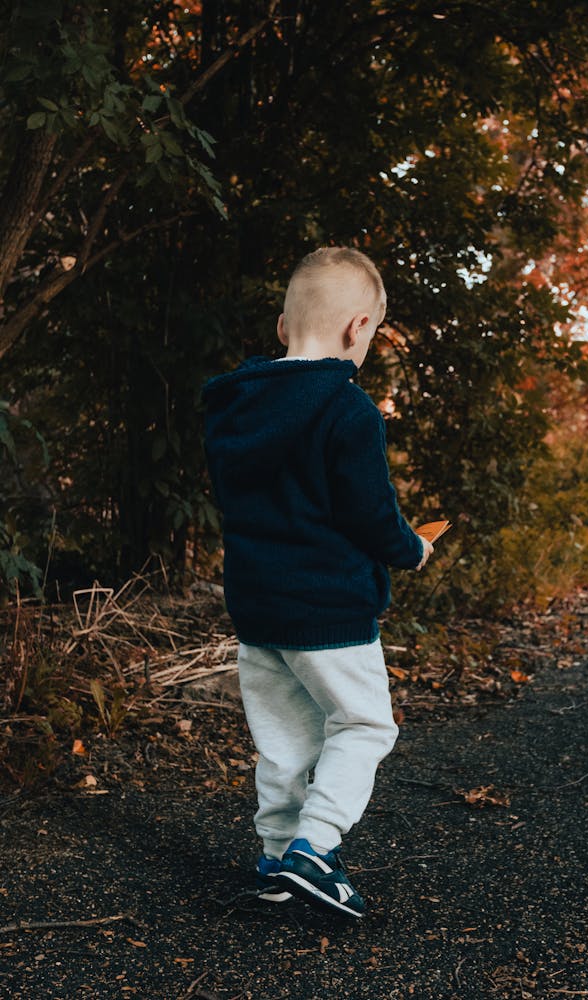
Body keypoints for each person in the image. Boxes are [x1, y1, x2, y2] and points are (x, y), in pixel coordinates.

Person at [201, 247, 433, 919]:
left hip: (256, 605)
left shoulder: (232, 406)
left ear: (281, 327)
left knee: (283, 739)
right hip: (328, 608)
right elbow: (368, 514)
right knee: (363, 724)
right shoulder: (347, 409)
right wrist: (409, 549)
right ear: (359, 329)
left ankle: (276, 857)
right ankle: (316, 847)